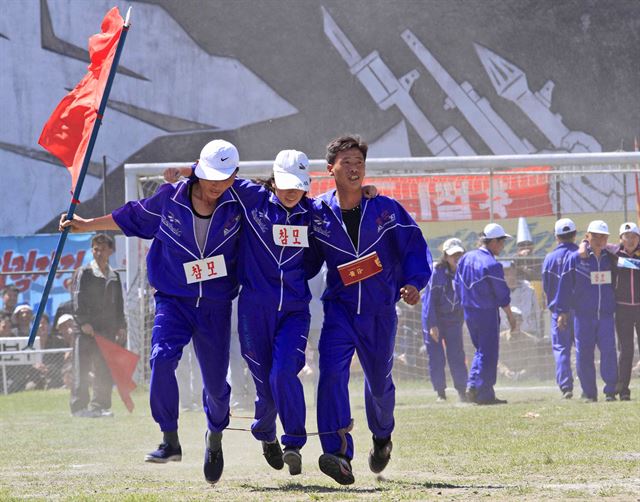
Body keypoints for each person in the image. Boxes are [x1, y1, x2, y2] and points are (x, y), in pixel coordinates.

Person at [60, 139, 242, 485]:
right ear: (199, 170)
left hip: (216, 306)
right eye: (210, 175)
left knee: (217, 386)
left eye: (225, 176)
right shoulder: (169, 198)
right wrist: (85, 225)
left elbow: (277, 196)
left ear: (234, 175)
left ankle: (215, 436)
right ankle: (169, 438)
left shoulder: (240, 200)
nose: (216, 184)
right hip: (173, 300)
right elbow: (131, 216)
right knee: (160, 358)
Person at [307, 135, 432, 485]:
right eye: (346, 162)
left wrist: (414, 283)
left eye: (359, 162)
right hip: (340, 310)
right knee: (330, 374)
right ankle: (337, 453)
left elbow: (413, 246)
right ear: (330, 169)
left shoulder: (386, 209)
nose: (354, 168)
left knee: (379, 384)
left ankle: (382, 437)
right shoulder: (317, 213)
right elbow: (304, 258)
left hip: (379, 313)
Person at [455, 223, 516, 405]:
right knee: (489, 353)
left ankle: (473, 386)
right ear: (494, 242)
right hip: (486, 312)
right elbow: (501, 293)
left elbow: (457, 285)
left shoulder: (465, 258)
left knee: (481, 350)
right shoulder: (491, 264)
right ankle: (484, 394)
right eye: (502, 242)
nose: (502, 246)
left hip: (469, 311)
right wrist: (510, 316)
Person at [556, 220, 617, 402]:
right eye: (595, 236)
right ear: (587, 237)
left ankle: (610, 391)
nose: (599, 240)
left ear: (607, 238)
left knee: (609, 352)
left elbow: (633, 265)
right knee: (584, 354)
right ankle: (589, 393)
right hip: (583, 316)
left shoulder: (611, 258)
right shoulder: (576, 258)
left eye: (603, 236)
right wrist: (562, 311)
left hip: (606, 315)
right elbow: (564, 285)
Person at [579, 221, 640, 401]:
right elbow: (591, 242)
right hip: (622, 308)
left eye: (634, 236)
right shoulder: (612, 252)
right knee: (626, 350)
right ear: (620, 238)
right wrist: (583, 244)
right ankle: (623, 390)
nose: (630, 240)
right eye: (626, 236)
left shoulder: (617, 255)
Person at [68, 233, 126, 417]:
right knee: (82, 369)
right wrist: (83, 322)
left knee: (104, 369)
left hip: (107, 330)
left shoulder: (114, 276)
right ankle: (79, 408)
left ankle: (100, 406)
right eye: (95, 249)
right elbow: (76, 299)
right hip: (86, 331)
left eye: (103, 249)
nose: (99, 253)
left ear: (111, 251)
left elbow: (119, 303)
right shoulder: (84, 272)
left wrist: (121, 325)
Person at [421, 237, 468, 402]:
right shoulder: (436, 272)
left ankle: (462, 390)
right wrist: (432, 324)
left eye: (459, 254)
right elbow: (429, 301)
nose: (456, 257)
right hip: (435, 318)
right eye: (452, 254)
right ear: (445, 256)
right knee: (436, 356)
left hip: (454, 320)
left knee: (456, 354)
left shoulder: (465, 271)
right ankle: (440, 392)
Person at [542, 218, 578, 399]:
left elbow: (547, 287)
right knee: (582, 347)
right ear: (575, 234)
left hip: (558, 311)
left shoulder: (549, 259)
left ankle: (566, 386)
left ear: (556, 236)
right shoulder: (580, 254)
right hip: (580, 310)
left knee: (561, 348)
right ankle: (587, 384)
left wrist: (555, 307)